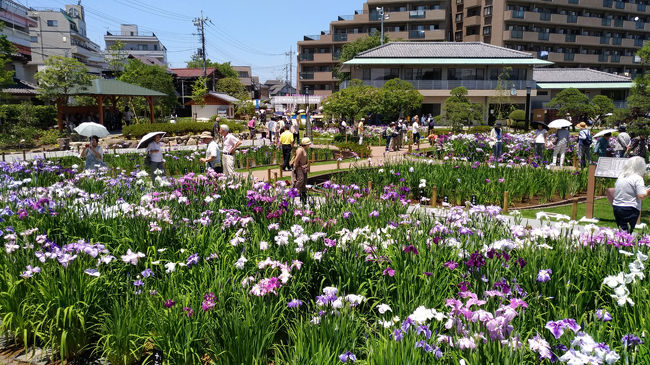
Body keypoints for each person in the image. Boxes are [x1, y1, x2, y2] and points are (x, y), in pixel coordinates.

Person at [612, 156, 650, 233]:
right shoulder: (637, 178)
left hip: (617, 207)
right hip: (630, 208)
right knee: (627, 234)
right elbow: (641, 195)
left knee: (622, 231)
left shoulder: (621, 176)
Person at [292, 137, 311, 204]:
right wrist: (295, 168)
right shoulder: (300, 150)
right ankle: (294, 191)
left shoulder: (304, 149)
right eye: (308, 144)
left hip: (304, 168)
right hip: (299, 167)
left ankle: (303, 197)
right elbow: (296, 160)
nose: (309, 145)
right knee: (300, 180)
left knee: (304, 182)